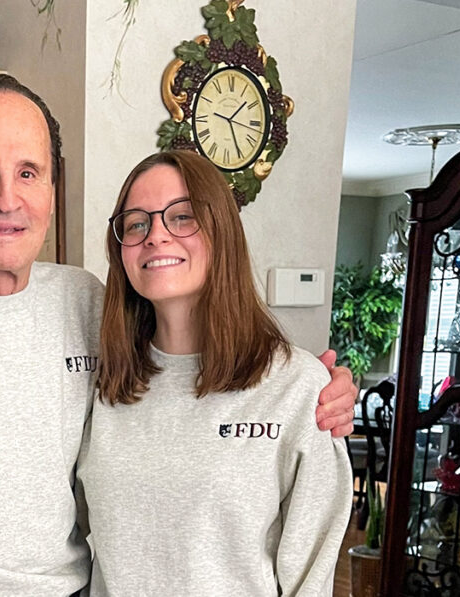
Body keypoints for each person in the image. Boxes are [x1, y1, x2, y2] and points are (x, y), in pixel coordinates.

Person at [0, 74, 357, 596]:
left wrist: (318, 390)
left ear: (52, 193)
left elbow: (207, 376)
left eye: (28, 172)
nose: (6, 198)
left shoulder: (86, 306)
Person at [78, 150, 353, 596]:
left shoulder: (298, 389)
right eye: (136, 223)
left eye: (182, 217)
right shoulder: (101, 383)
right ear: (121, 251)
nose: (156, 236)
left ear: (221, 231)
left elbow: (311, 577)